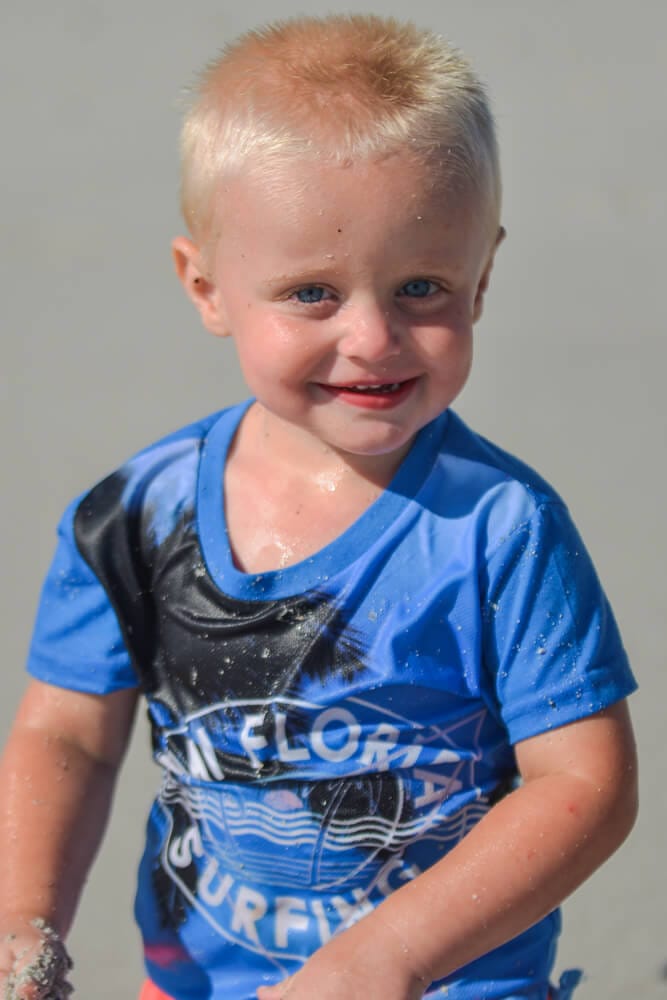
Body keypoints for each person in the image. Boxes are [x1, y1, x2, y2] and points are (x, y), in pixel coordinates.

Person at [0, 13, 638, 1000]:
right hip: (202, 976)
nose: (373, 337)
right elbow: (68, 735)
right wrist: (23, 919)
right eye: (311, 293)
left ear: (481, 278)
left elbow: (586, 783)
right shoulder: (133, 519)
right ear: (206, 287)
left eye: (421, 286)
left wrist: (387, 955)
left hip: (441, 980)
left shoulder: (499, 528)